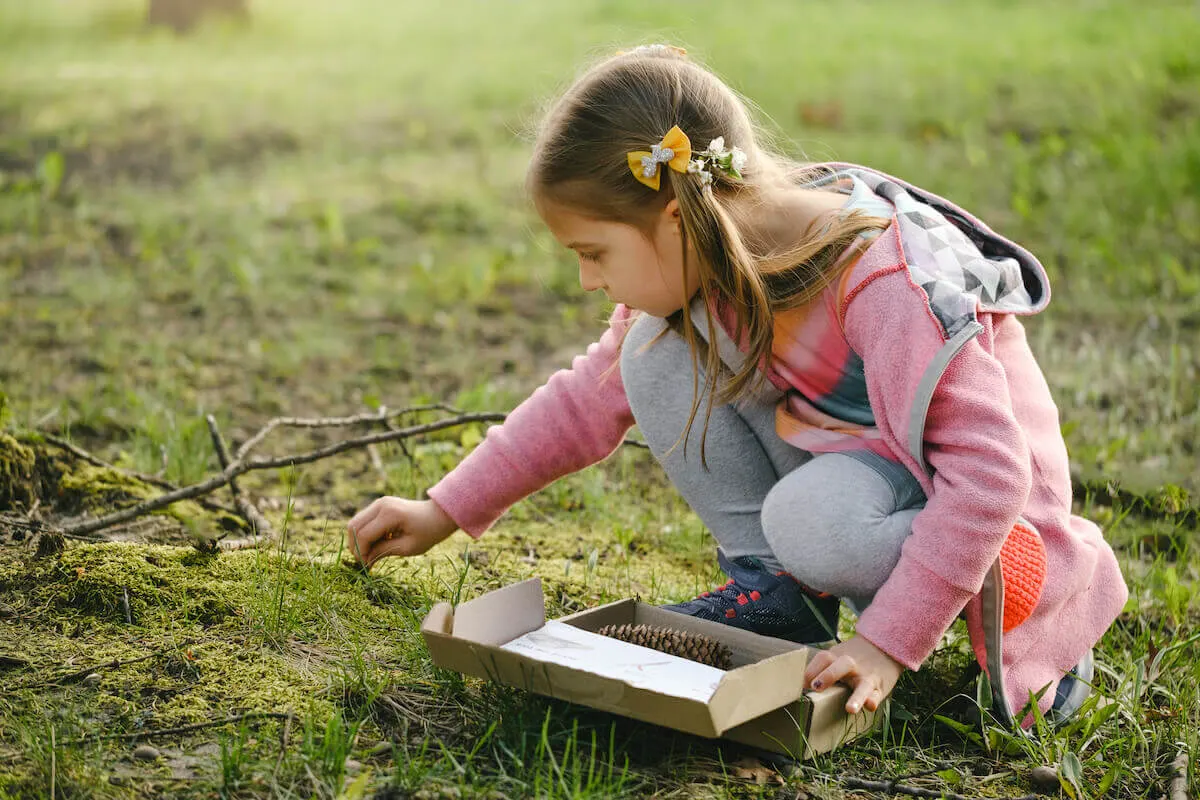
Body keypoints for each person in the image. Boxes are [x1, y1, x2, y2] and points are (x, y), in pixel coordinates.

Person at [346, 44, 1127, 726]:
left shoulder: (883, 278)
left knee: (814, 523)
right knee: (649, 352)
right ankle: (778, 595)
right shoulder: (706, 269)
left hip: (986, 496)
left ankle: (1028, 579)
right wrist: (443, 509)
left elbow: (991, 471)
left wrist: (885, 645)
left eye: (594, 252)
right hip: (870, 474)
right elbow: (587, 400)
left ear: (679, 218)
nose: (587, 280)